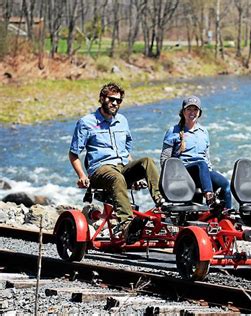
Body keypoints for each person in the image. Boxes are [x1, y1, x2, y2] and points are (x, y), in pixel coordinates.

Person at [68, 82, 161, 242]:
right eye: (112, 99)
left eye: (119, 101)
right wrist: (82, 176)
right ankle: (126, 226)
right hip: (100, 170)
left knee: (147, 161)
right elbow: (73, 154)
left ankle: (161, 201)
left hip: (121, 168)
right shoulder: (86, 122)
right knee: (116, 178)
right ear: (102, 98)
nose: (115, 103)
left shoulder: (122, 121)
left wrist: (135, 176)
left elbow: (126, 152)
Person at [160, 96, 232, 209]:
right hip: (183, 172)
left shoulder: (204, 132)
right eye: (189, 109)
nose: (192, 112)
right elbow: (165, 158)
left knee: (225, 185)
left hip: (203, 172)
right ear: (183, 112)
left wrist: (210, 173)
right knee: (201, 164)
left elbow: (206, 157)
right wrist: (168, 178)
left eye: (195, 109)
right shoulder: (173, 131)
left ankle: (226, 216)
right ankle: (209, 197)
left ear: (199, 113)